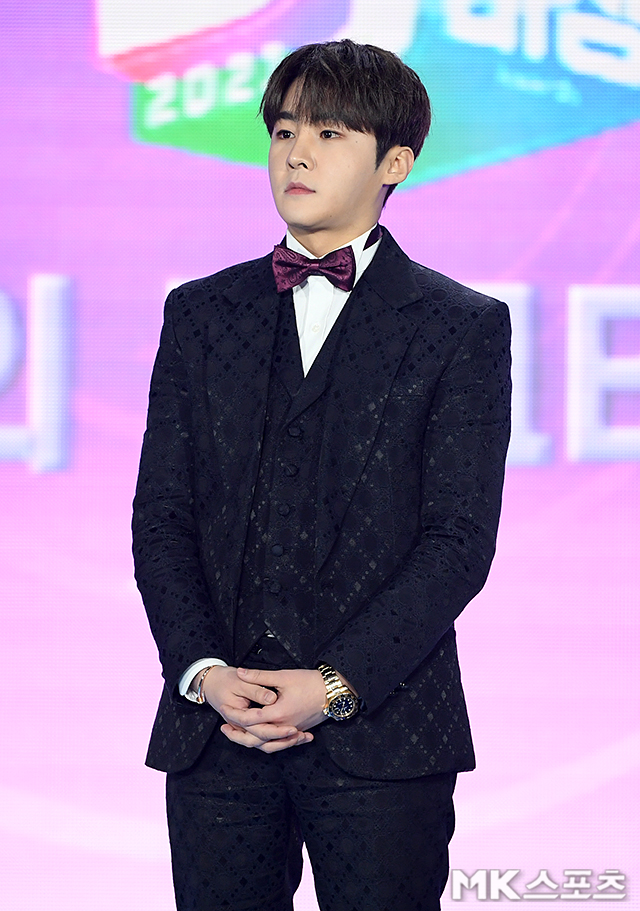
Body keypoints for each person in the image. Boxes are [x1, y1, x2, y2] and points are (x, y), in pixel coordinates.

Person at [132, 39, 511, 911]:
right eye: (284, 131)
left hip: (385, 735)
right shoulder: (200, 314)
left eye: (330, 133)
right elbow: (162, 517)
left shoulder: (459, 326)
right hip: (218, 734)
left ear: (395, 162)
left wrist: (334, 685)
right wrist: (203, 670)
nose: (297, 153)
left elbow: (458, 541)